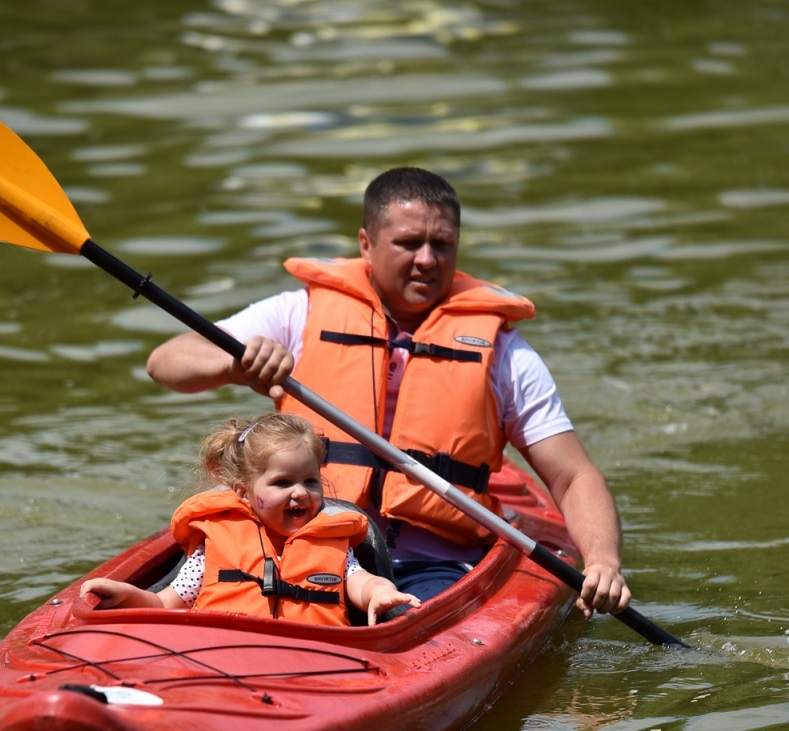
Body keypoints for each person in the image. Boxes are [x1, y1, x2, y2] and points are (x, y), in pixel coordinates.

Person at [146, 167, 631, 619]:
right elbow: (166, 363)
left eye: (442, 244)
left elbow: (571, 476)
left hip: (433, 565)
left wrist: (603, 561)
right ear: (366, 244)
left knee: (409, 619)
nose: (427, 259)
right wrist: (236, 364)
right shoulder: (300, 314)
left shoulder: (503, 353)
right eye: (409, 242)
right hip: (303, 541)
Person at [80, 413, 420, 626]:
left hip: (317, 662)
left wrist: (381, 593)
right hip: (223, 658)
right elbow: (164, 602)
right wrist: (124, 595)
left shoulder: (332, 542)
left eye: (310, 481)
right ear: (243, 492)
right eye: (283, 483)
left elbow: (360, 582)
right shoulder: (212, 548)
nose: (300, 493)